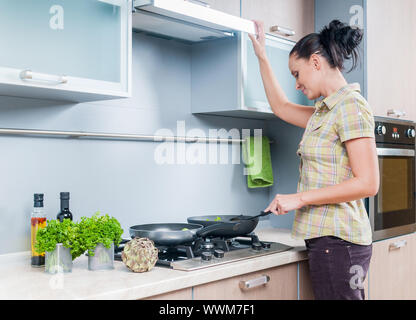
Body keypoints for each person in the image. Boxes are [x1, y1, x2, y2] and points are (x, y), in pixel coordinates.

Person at [248, 19, 379, 300]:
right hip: (329, 242)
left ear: (316, 62)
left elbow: (368, 183)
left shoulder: (351, 106)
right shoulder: (325, 112)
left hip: (340, 241)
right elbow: (281, 107)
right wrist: (261, 56)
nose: (296, 84)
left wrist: (300, 198)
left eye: (297, 74)